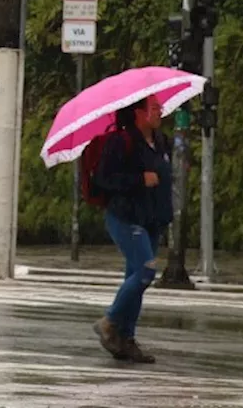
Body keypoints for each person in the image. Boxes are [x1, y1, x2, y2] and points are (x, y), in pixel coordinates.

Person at [92, 95, 171, 364]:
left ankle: (126, 339)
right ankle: (110, 321)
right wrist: (139, 179)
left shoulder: (161, 141)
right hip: (125, 218)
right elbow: (104, 179)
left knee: (136, 279)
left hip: (151, 220)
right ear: (138, 113)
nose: (160, 111)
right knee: (147, 270)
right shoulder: (120, 141)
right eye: (154, 107)